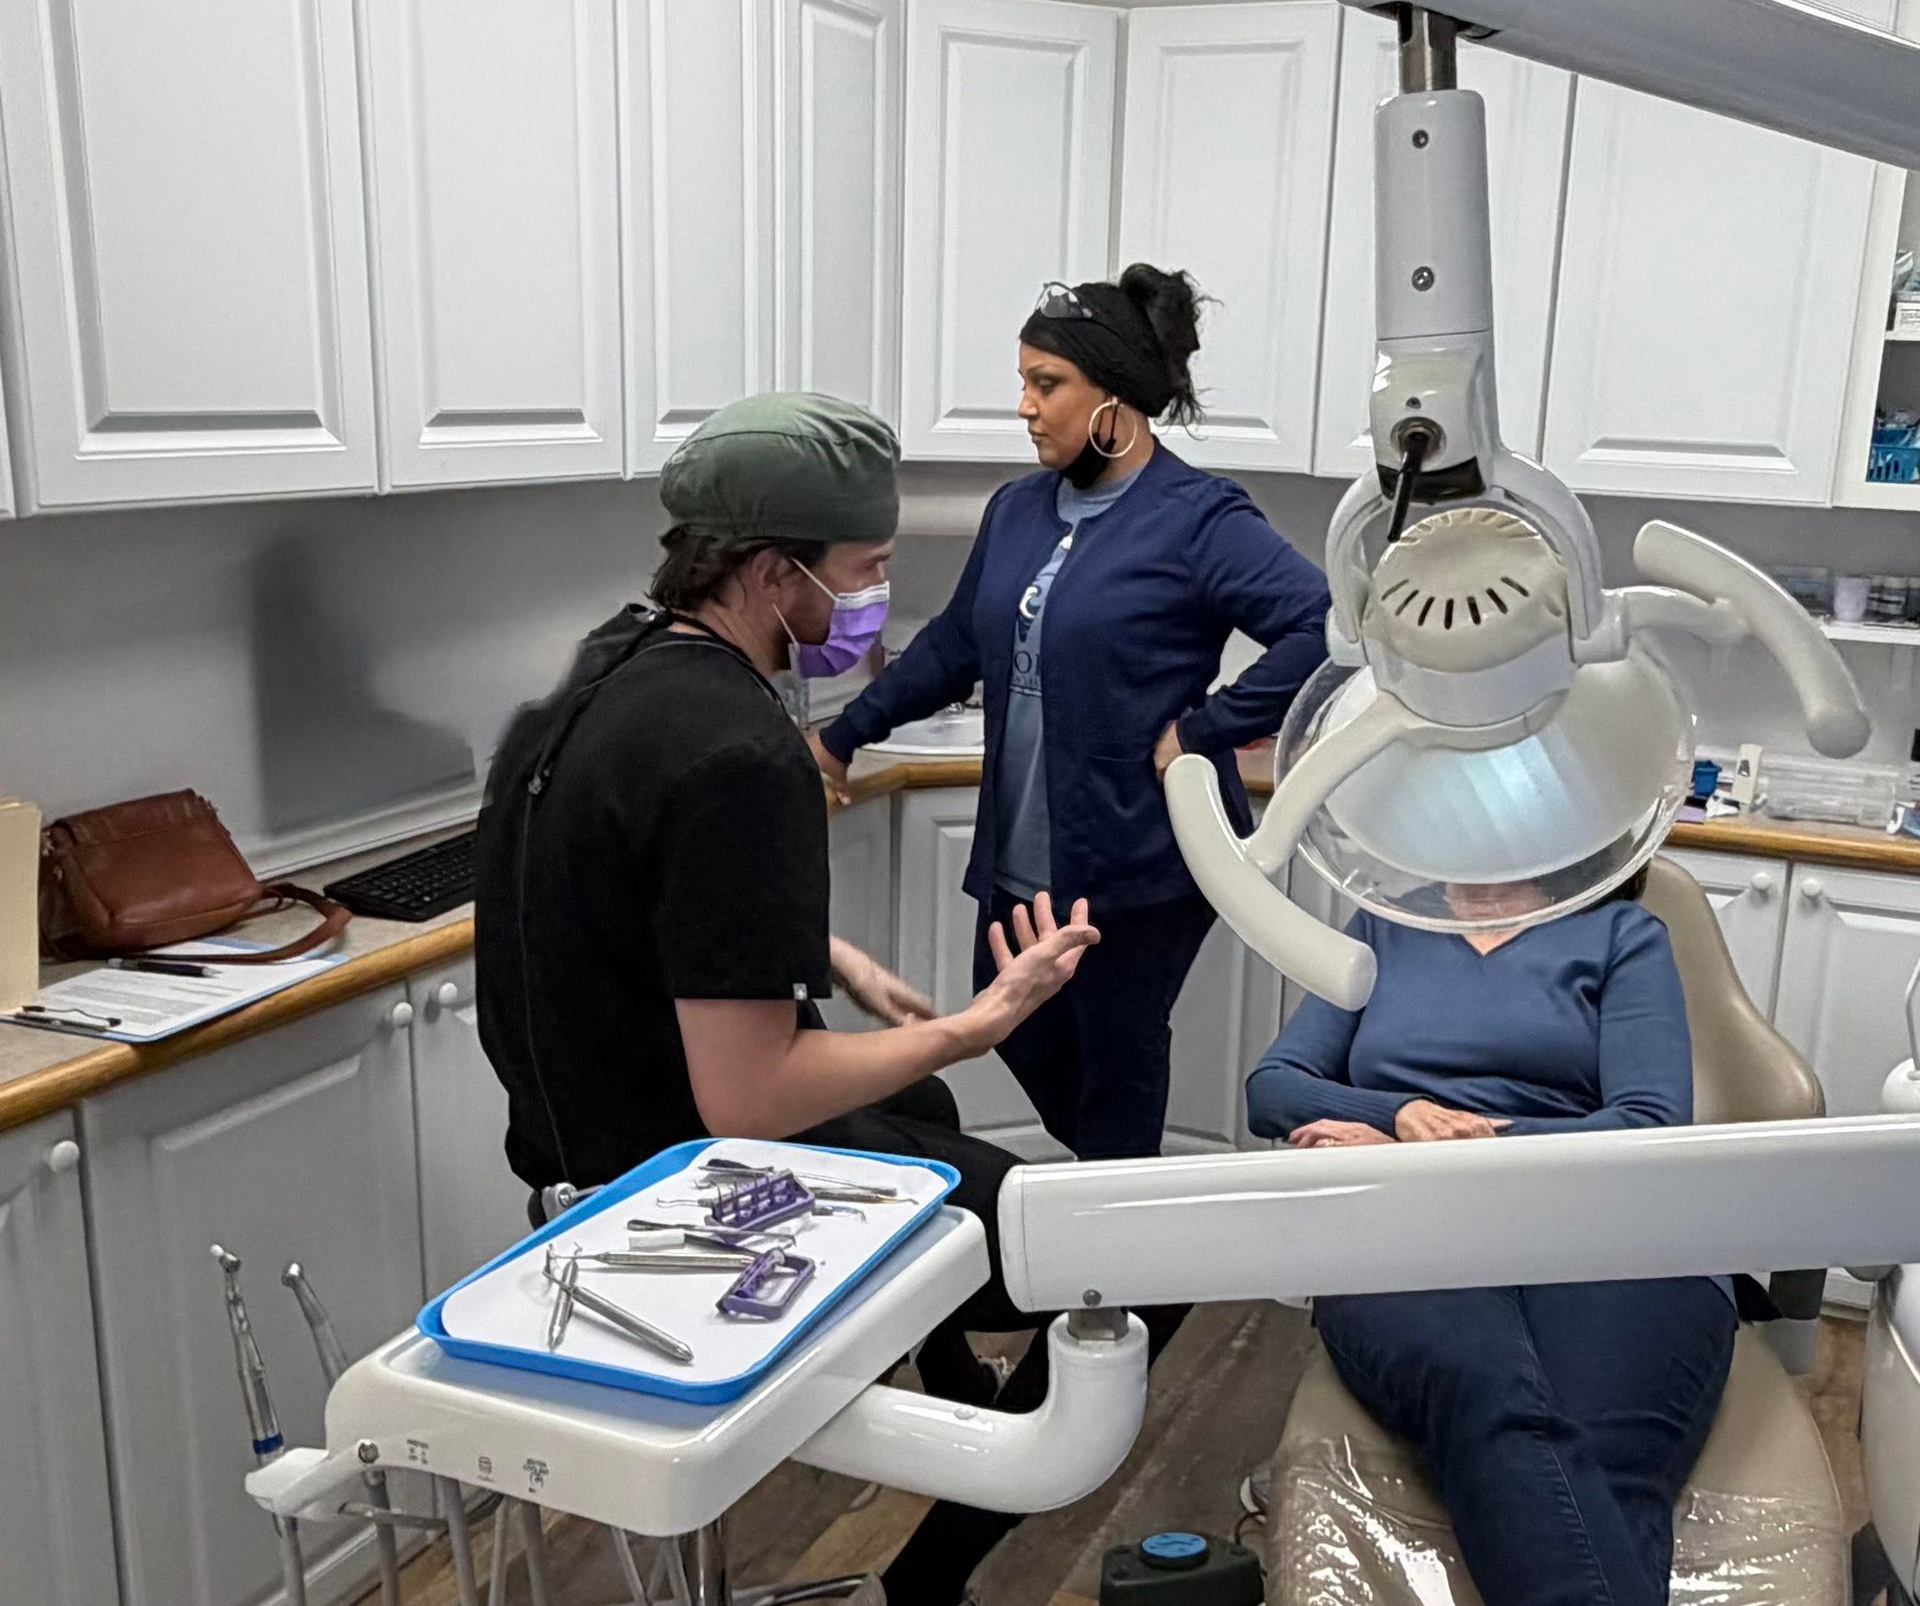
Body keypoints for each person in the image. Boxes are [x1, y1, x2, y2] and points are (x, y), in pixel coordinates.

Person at [474, 391, 1111, 1602]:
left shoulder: (603, 674)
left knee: (918, 1102)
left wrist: (834, 957)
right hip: (677, 1197)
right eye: (864, 570)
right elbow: (751, 1097)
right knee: (1110, 1258)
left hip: (569, 1140)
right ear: (774, 574)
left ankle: (946, 1384)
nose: (871, 604)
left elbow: (632, 881)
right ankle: (918, 1582)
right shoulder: (743, 750)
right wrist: (977, 1022)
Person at [812, 264, 1332, 1162]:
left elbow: (1319, 624)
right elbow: (953, 646)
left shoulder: (1198, 518)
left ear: (1116, 401)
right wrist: (842, 736)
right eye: (1024, 381)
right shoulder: (1019, 509)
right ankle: (1116, 1217)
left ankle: (1124, 1275)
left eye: (1046, 384)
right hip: (1021, 856)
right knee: (1010, 1022)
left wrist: (1201, 731)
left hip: (1136, 866)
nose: (1025, 406)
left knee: (1120, 1069)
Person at [1245, 870, 1736, 1606]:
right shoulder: (1382, 929)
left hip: (1607, 1223)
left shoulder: (1620, 935)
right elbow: (1274, 1087)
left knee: (1604, 1453)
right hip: (1408, 1217)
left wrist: (1440, 1143)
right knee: (1489, 1392)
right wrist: (1401, 1110)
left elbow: (1647, 1121)